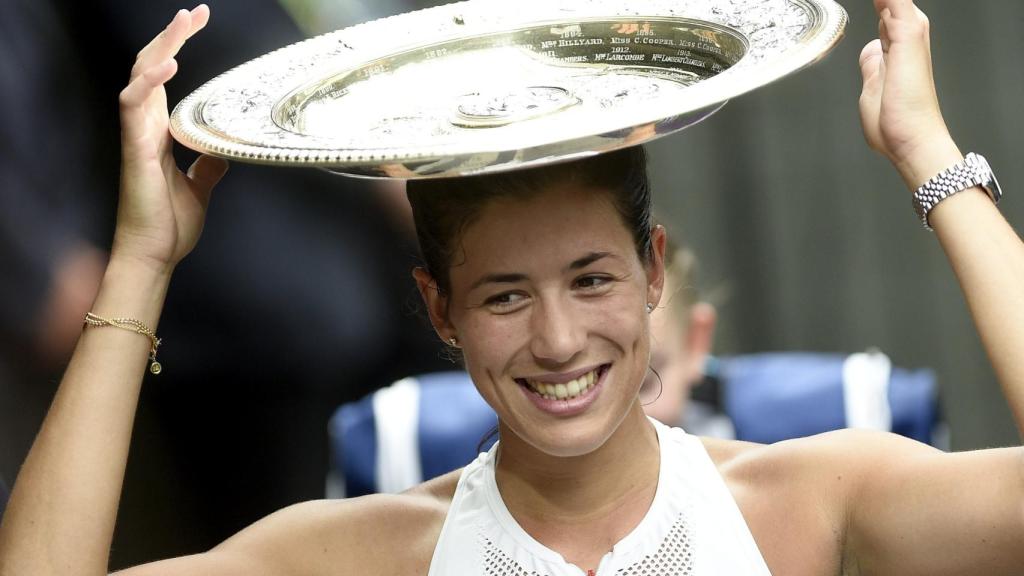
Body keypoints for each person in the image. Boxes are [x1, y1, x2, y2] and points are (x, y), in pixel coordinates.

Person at [1, 1, 1023, 574]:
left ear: (653, 269)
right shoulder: (375, 554)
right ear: (439, 308)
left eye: (591, 279)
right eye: (501, 296)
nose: (559, 338)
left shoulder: (804, 504)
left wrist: (929, 160)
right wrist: (141, 260)